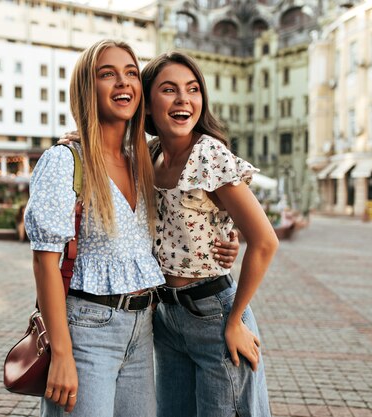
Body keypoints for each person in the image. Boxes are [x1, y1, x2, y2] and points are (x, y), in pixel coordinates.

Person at [24, 39, 165, 417]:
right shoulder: (64, 160)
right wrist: (63, 354)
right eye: (108, 74)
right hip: (87, 330)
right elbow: (44, 264)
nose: (123, 83)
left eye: (131, 73)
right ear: (88, 87)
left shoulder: (143, 162)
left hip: (143, 328)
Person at [142, 51, 278, 416]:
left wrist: (235, 320)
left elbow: (265, 242)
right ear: (148, 104)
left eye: (193, 89)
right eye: (169, 89)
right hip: (166, 318)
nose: (184, 99)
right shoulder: (149, 155)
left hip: (215, 317)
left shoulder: (208, 154)